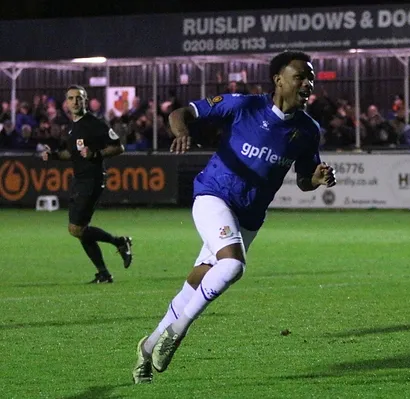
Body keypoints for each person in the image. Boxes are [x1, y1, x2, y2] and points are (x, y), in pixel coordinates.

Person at [131, 51, 337, 384]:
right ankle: (177, 332)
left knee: (198, 282)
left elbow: (302, 179)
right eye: (301, 76)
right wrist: (181, 130)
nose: (308, 83)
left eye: (311, 78)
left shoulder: (308, 130)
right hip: (213, 195)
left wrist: (315, 179)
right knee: (232, 266)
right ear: (279, 80)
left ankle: (148, 347)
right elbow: (181, 112)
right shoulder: (245, 106)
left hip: (249, 217)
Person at [41, 85, 133, 284]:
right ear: (66, 102)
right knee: (80, 230)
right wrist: (54, 155)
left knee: (76, 228)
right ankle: (104, 273)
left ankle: (119, 242)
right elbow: (71, 154)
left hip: (92, 180)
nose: (75, 102)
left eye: (79, 98)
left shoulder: (94, 123)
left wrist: (97, 153)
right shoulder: (72, 126)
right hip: (79, 180)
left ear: (85, 101)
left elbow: (119, 147)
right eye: (71, 98)